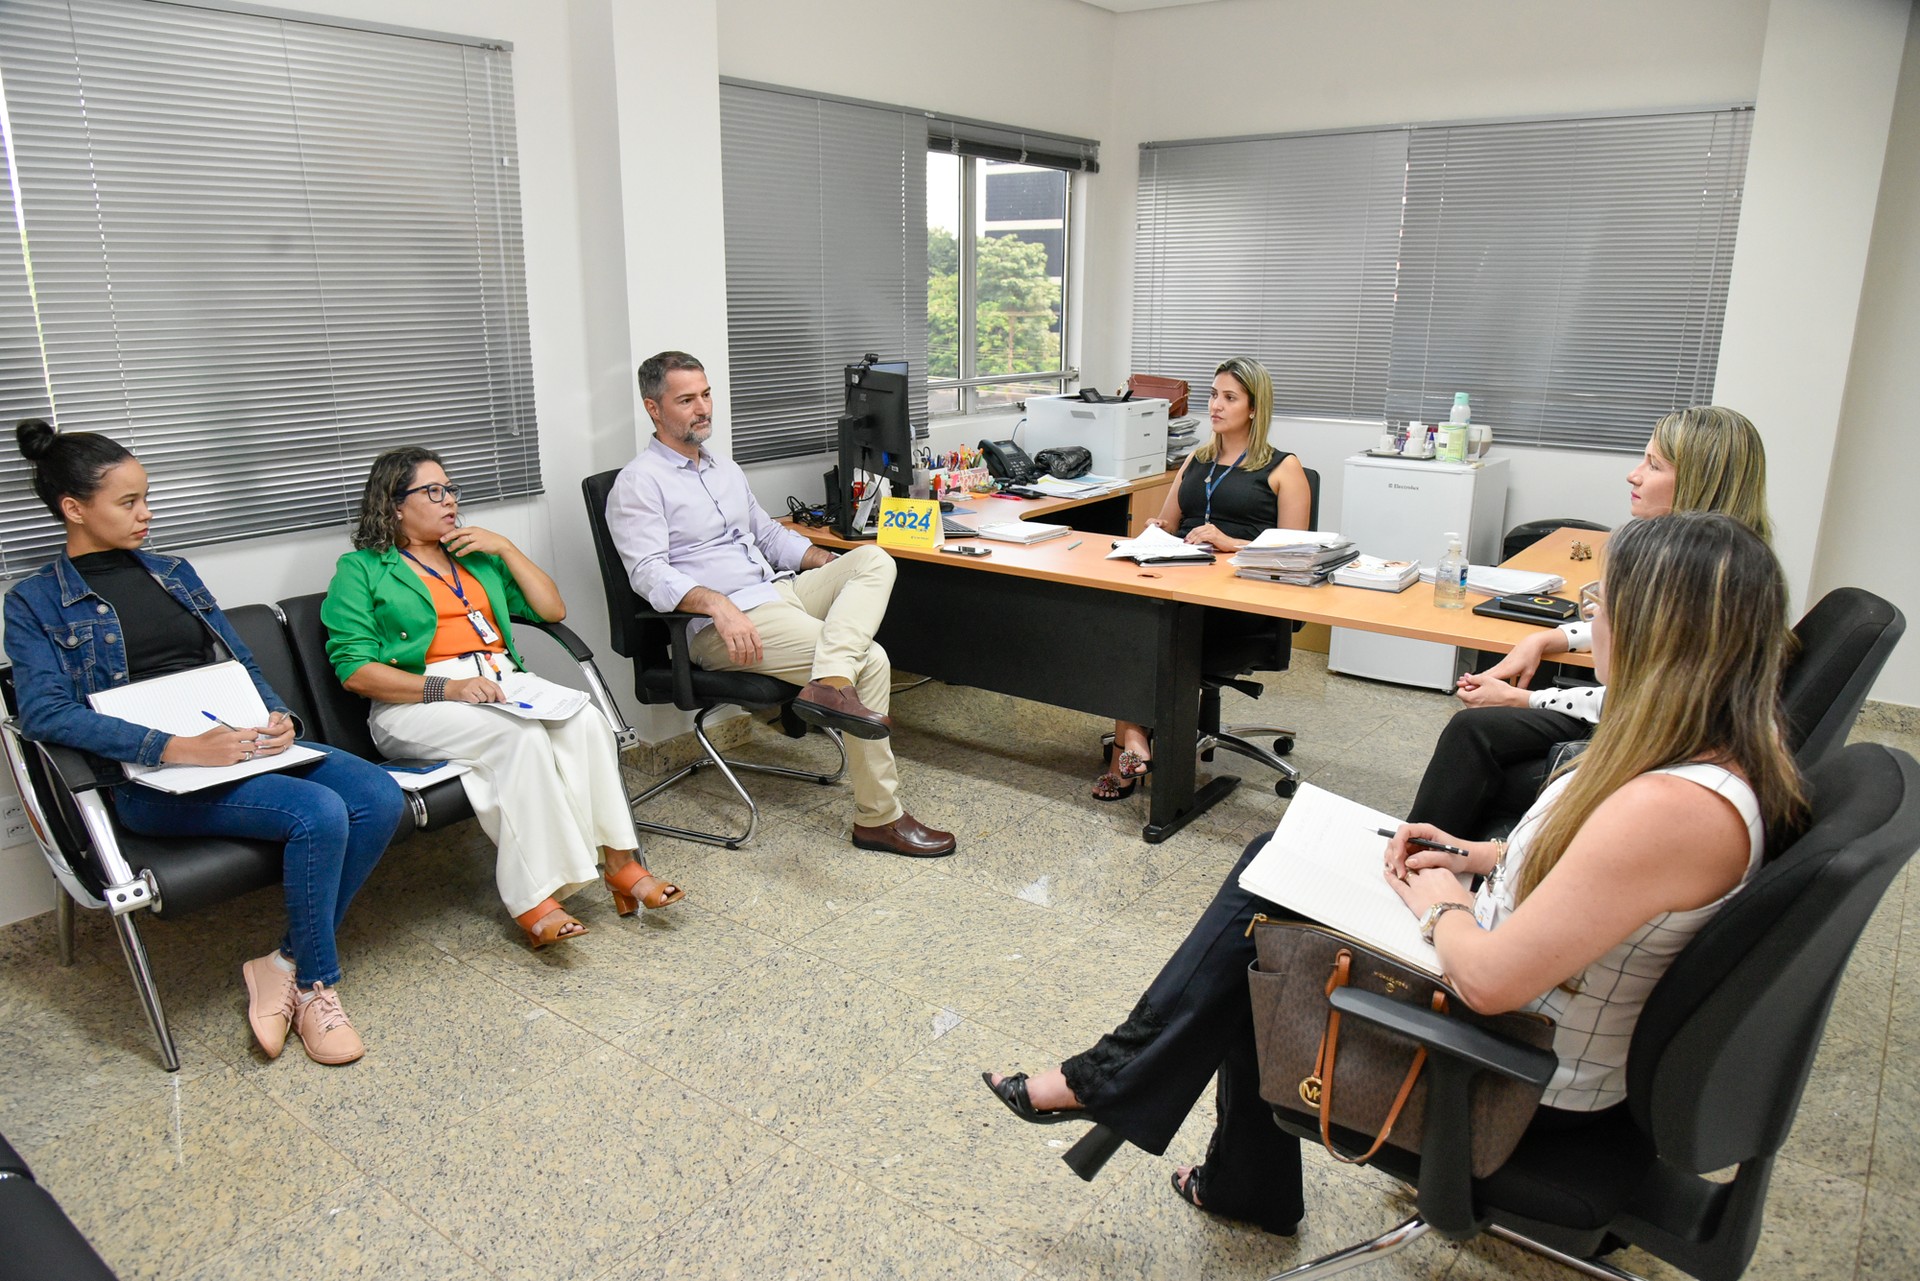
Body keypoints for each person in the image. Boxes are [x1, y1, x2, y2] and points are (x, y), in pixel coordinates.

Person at [984, 511, 1804, 1234]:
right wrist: (1473, 855)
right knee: (1274, 874)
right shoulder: (1698, 755)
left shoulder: (1671, 808)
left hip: (1511, 1076)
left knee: (1262, 930)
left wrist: (1440, 901)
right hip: (1524, 1010)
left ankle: (1117, 1085)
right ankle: (1187, 1139)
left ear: (1662, 634)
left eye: (1604, 608)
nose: (1592, 626)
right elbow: (1592, 881)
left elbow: (1488, 981)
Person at [3, 420, 406, 1065]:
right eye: (128, 502)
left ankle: (281, 964)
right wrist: (178, 747)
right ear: (73, 509)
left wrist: (281, 720)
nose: (147, 514)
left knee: (379, 795)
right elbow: (45, 713)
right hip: (147, 781)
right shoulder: (32, 604)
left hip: (237, 745)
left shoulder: (173, 573)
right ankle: (316, 986)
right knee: (320, 812)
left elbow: (238, 661)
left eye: (146, 497)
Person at [321, 446, 678, 950]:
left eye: (451, 490)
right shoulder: (361, 570)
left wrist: (507, 548)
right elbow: (356, 671)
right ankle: (532, 897)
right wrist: (449, 687)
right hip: (416, 701)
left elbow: (551, 608)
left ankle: (621, 864)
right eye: (433, 491)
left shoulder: (473, 557)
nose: (449, 501)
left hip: (501, 682)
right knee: (520, 739)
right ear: (394, 505)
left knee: (588, 723)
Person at [606, 350, 955, 858]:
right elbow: (647, 572)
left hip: (776, 591)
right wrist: (716, 604)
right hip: (722, 624)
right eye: (686, 400)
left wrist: (823, 559)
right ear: (654, 409)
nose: (703, 408)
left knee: (874, 559)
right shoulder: (638, 484)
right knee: (873, 660)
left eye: (706, 395)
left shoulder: (723, 468)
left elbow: (766, 535)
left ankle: (829, 684)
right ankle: (879, 818)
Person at [1407, 405, 1773, 836]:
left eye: (1654, 465)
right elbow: (1627, 632)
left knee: (1474, 731)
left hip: (1644, 735)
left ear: (1698, 480)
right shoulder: (1733, 559)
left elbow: (1627, 702)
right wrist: (1550, 639)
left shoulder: (1701, 576)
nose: (1634, 475)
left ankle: (1416, 856)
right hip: (1645, 721)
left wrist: (1522, 700)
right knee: (1477, 728)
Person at [1096, 357, 1312, 801]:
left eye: (1229, 397)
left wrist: (1232, 542)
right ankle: (1134, 737)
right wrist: (1154, 532)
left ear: (1254, 408)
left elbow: (1295, 556)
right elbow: (1168, 523)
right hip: (1185, 584)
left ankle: (1128, 748)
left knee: (1158, 634)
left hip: (1240, 604)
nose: (1215, 405)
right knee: (1125, 617)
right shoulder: (1197, 458)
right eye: (1214, 394)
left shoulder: (1283, 468)